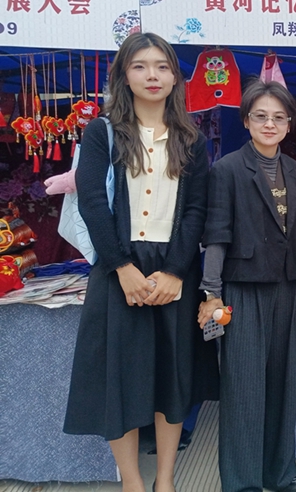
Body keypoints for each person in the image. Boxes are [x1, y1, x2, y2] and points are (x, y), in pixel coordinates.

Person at [63, 32, 219, 492]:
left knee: (173, 378)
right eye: (140, 66)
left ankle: (165, 479)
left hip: (174, 269)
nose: (152, 75)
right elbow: (93, 202)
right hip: (119, 267)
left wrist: (174, 272)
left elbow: (196, 210)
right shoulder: (102, 132)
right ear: (124, 76)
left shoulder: (191, 139)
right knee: (121, 380)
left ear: (175, 77)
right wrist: (122, 268)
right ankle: (132, 482)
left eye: (162, 67)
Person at [197, 80, 296, 492]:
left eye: (278, 117)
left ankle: (280, 473)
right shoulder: (227, 169)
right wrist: (212, 292)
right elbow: (216, 235)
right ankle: (243, 481)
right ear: (246, 121)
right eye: (261, 116)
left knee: (284, 384)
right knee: (244, 387)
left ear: (289, 124)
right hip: (243, 288)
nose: (270, 124)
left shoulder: (295, 170)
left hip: (289, 286)